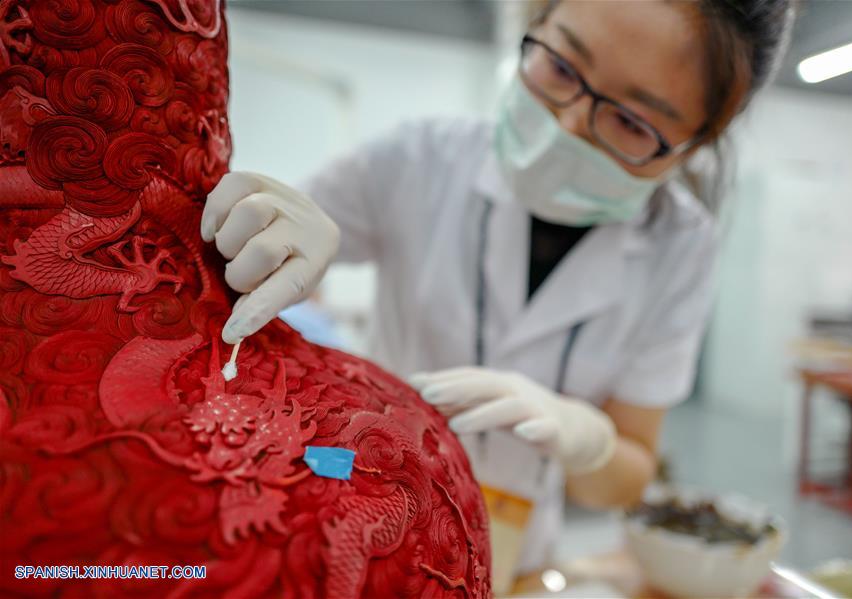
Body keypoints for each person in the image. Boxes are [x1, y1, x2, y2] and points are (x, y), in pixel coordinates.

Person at [201, 0, 795, 573]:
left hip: (521, 553)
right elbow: (224, 273)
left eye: (630, 122)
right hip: (366, 507)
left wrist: (588, 443)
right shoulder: (419, 159)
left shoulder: (681, 247)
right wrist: (263, 236)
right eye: (561, 67)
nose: (567, 126)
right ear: (538, 22)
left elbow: (626, 479)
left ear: (694, 144)